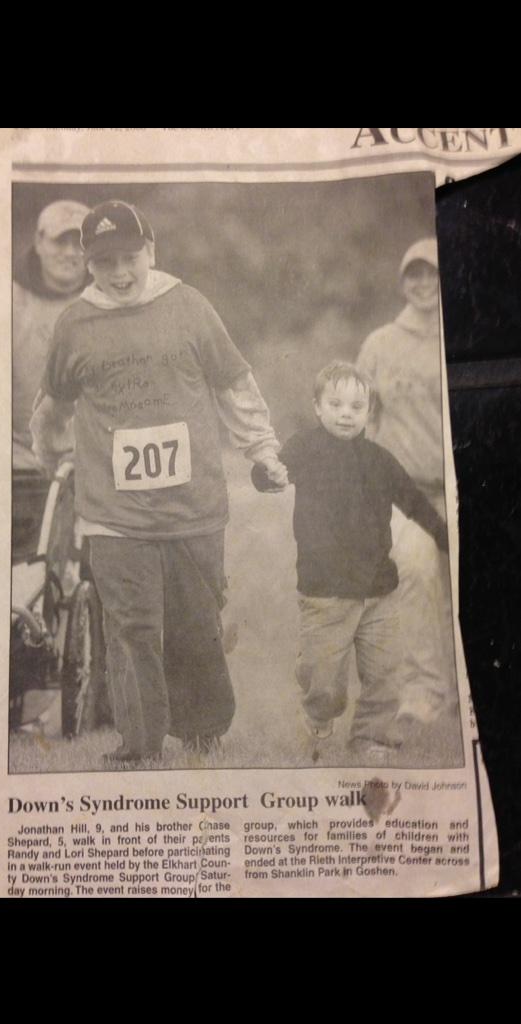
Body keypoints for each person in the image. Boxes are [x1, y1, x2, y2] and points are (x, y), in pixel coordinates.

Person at [30, 199, 287, 765]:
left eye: (130, 258)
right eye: (105, 263)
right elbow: (52, 408)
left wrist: (263, 449)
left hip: (193, 507)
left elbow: (235, 385)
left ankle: (202, 732)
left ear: (152, 251)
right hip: (112, 513)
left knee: (196, 624)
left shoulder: (189, 306)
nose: (120, 274)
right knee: (133, 626)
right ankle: (139, 743)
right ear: (87, 263)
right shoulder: (75, 323)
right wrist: (54, 457)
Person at [253, 360, 448, 764]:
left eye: (356, 406)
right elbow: (272, 474)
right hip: (324, 593)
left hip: (379, 589)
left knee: (384, 676)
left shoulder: (379, 459)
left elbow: (412, 499)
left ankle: (369, 738)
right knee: (324, 680)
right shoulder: (304, 448)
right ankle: (319, 715)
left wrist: (444, 535)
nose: (346, 413)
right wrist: (265, 474)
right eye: (336, 404)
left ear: (368, 412)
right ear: (318, 407)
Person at [357, 238, 455, 727]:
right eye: (413, 274)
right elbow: (362, 420)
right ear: (402, 282)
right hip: (407, 492)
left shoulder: (468, 330)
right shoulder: (380, 343)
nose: (423, 284)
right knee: (415, 572)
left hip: (458, 488)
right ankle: (423, 693)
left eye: (432, 274)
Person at [12, 199, 90, 563]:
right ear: (39, 241)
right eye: (61, 241)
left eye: (81, 243)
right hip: (19, 461)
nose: (71, 252)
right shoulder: (9, 299)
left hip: (88, 461)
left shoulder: (104, 299)